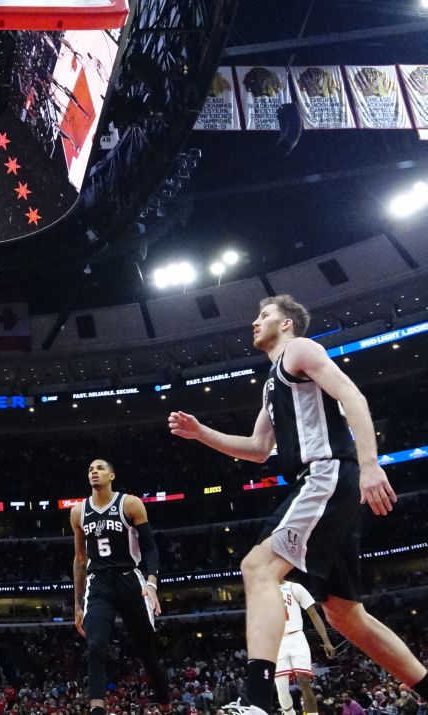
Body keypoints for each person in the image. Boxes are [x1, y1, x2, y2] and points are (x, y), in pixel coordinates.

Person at [168, 295, 428, 715]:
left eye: (264, 315)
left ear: (287, 323)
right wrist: (202, 434)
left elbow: (352, 396)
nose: (255, 322)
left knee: (256, 566)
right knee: (345, 614)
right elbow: (257, 448)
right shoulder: (273, 379)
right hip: (326, 482)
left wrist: (369, 464)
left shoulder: (301, 350)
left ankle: (256, 702)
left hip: (327, 473)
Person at [70, 458, 171, 715]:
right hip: (99, 582)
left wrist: (152, 584)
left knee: (147, 652)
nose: (94, 472)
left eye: (100, 468)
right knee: (95, 646)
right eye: (90, 469)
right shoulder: (78, 512)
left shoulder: (130, 503)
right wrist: (77, 604)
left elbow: (149, 547)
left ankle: (165, 704)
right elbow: (80, 559)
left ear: (111, 476)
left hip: (130, 579)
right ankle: (97, 709)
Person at [275, 580, 335, 715]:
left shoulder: (294, 587)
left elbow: (313, 614)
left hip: (296, 637)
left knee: (303, 681)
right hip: (277, 641)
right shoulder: (263, 591)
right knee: (281, 687)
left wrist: (326, 641)